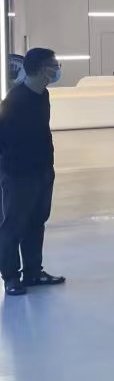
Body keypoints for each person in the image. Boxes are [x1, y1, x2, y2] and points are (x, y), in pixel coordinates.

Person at [0, 48, 65, 297]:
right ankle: (10, 277)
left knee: (36, 222)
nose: (57, 69)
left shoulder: (43, 95)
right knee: (13, 226)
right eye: (54, 65)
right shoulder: (14, 101)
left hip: (42, 171)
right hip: (18, 175)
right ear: (40, 69)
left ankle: (33, 272)